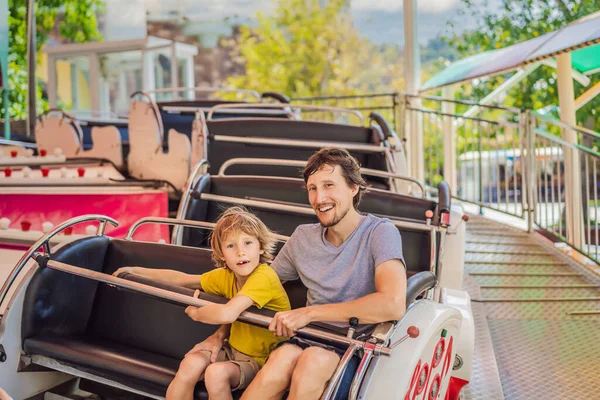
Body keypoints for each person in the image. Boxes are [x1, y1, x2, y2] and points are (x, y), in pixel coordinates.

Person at [241, 147, 407, 400]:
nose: (319, 199)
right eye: (313, 188)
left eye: (329, 185)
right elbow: (260, 287)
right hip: (309, 337)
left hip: (355, 345)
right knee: (280, 361)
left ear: (353, 188)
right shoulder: (303, 237)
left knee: (311, 362)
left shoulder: (380, 232)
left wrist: (308, 313)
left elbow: (392, 304)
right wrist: (217, 334)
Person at [113, 206, 291, 400]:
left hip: (260, 361)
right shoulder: (226, 276)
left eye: (248, 243)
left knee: (215, 374)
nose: (241, 252)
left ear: (261, 247)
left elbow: (227, 314)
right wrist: (136, 271)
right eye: (231, 246)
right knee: (190, 364)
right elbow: (181, 279)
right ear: (222, 254)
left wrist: (196, 313)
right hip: (231, 350)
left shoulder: (264, 276)